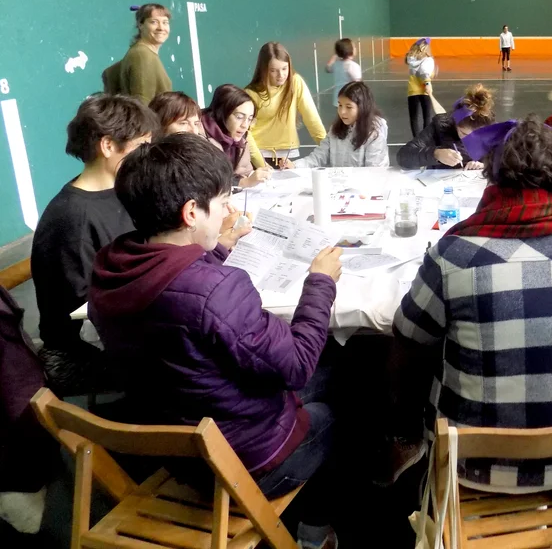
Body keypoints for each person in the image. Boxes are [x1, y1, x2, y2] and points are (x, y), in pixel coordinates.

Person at [386, 118, 552, 490]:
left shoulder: (452, 255)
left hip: (467, 466)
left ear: (493, 175)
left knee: (428, 344)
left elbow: (409, 330)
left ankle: (404, 438)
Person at [88, 133, 342, 501]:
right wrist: (320, 283)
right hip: (243, 462)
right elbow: (298, 365)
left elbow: (177, 286)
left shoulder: (111, 269)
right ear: (191, 212)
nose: (227, 212)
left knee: (328, 372)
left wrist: (214, 249)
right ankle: (317, 523)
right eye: (223, 202)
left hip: (178, 445)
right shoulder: (216, 290)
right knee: (341, 398)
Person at [31, 95, 158, 395]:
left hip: (119, 326)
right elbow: (88, 315)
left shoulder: (120, 189)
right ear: (108, 145)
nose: (147, 156)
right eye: (141, 146)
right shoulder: (72, 218)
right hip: (83, 353)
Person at [245, 42, 326, 168]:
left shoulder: (295, 82)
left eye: (284, 68)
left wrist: (328, 148)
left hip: (287, 155)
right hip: (258, 154)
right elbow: (246, 132)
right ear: (264, 70)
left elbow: (312, 118)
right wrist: (262, 164)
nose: (281, 75)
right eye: (273, 70)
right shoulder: (251, 93)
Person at [397, 83, 495, 169]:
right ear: (455, 123)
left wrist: (485, 166)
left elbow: (500, 162)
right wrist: (435, 154)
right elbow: (403, 156)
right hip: (439, 180)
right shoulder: (441, 126)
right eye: (464, 133)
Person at [295, 82, 389, 168]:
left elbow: (374, 170)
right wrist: (295, 165)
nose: (342, 112)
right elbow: (319, 156)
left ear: (362, 107)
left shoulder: (374, 133)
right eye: (340, 105)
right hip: (338, 180)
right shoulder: (336, 129)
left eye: (349, 107)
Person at [202, 84, 271, 188]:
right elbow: (206, 181)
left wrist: (255, 175)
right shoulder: (200, 139)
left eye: (249, 119)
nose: (245, 125)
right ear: (222, 113)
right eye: (239, 117)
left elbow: (246, 171)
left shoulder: (240, 138)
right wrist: (244, 182)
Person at [102, 4, 173, 104]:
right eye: (154, 22)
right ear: (140, 25)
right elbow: (142, 104)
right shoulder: (142, 55)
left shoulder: (141, 53)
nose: (161, 28)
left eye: (165, 22)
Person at [406, 38, 437, 136]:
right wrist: (428, 83)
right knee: (427, 116)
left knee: (413, 117)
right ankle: (425, 138)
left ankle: (416, 140)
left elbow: (419, 73)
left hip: (412, 91)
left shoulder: (411, 60)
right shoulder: (428, 60)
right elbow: (424, 72)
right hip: (424, 91)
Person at [325, 38, 362, 108]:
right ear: (349, 49)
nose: (355, 48)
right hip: (350, 99)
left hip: (338, 99)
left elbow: (328, 69)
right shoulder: (353, 66)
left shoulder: (336, 64)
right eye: (354, 47)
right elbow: (358, 83)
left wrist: (334, 57)